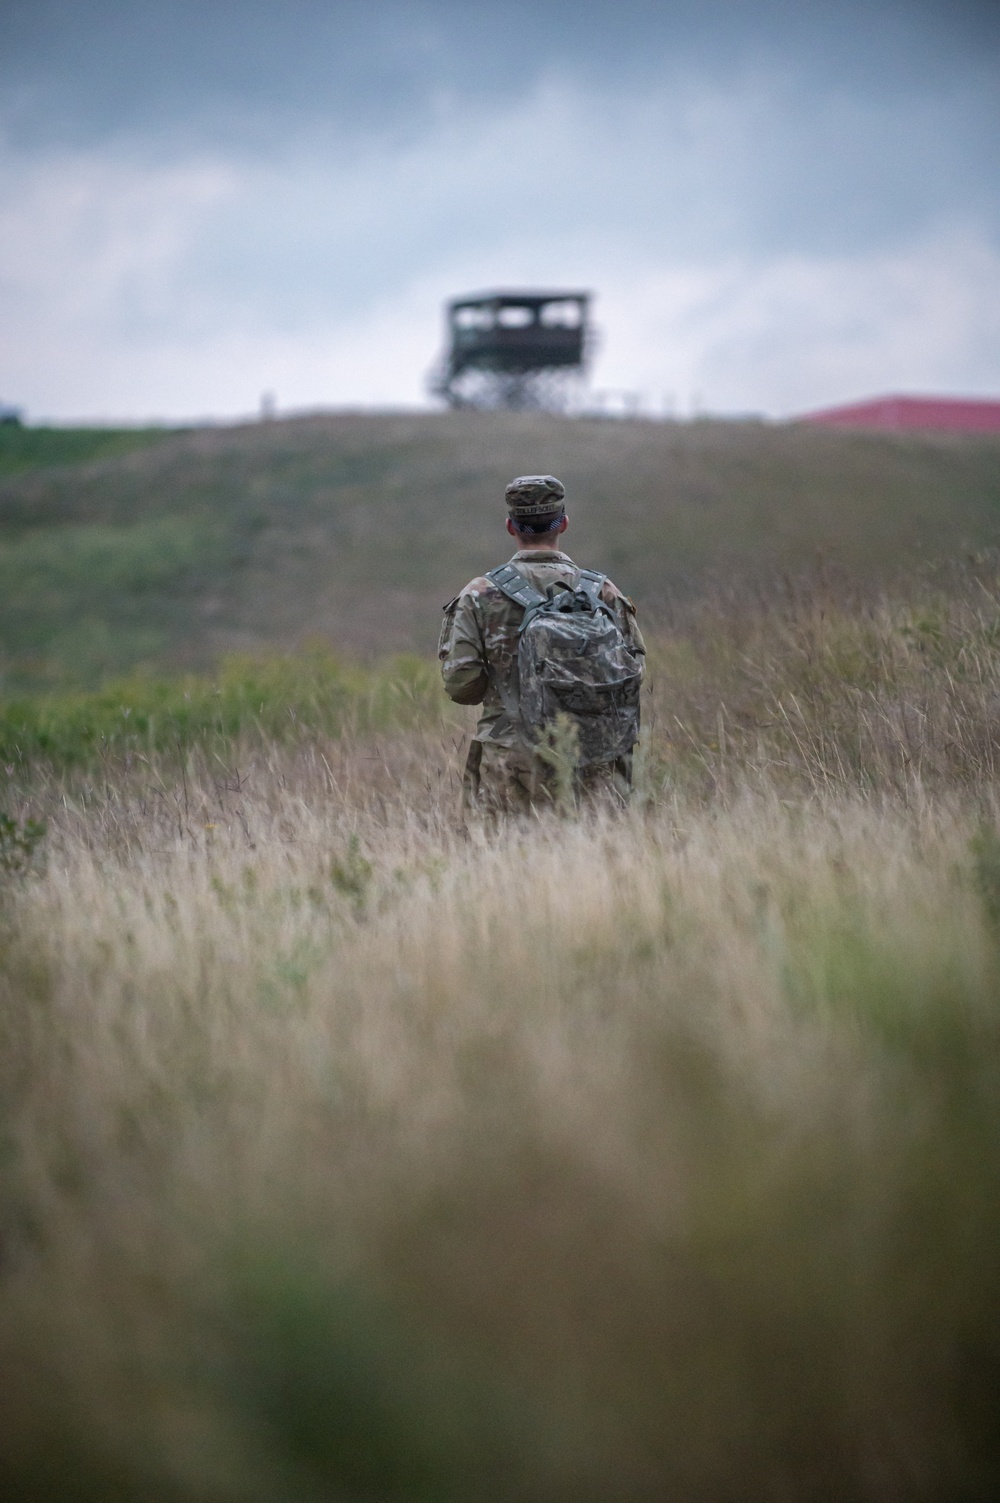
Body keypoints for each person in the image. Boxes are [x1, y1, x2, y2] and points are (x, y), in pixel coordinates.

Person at [438, 474, 646, 815]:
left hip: (511, 762)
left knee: (507, 860)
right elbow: (633, 675)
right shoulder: (603, 592)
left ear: (510, 526)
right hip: (595, 758)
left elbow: (462, 686)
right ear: (563, 523)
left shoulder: (479, 595)